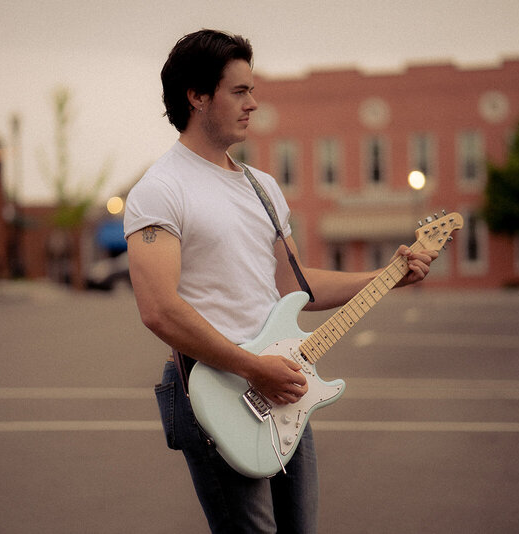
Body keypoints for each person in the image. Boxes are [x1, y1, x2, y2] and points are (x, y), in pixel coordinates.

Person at [124, 29, 438, 534]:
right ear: (197, 96)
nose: (254, 103)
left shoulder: (263, 188)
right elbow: (158, 309)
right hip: (216, 389)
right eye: (239, 91)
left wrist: (388, 277)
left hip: (279, 386)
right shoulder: (161, 189)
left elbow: (294, 287)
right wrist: (253, 367)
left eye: (254, 89)